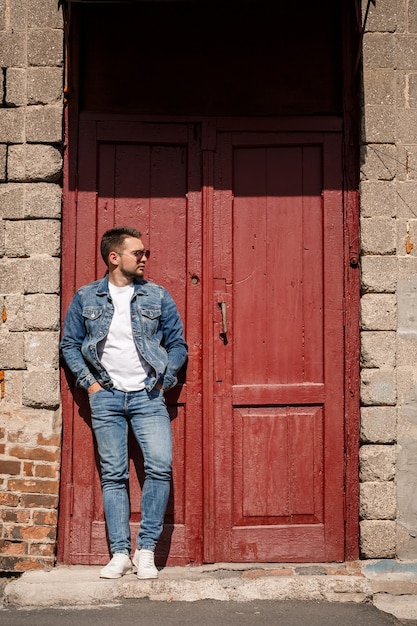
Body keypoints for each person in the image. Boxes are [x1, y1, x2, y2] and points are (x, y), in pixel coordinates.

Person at [60, 226, 188, 580]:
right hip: (107, 398)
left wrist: (164, 382)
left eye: (145, 253)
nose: (145, 258)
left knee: (159, 467)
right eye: (138, 253)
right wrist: (89, 385)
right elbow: (69, 344)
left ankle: (144, 550)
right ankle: (119, 553)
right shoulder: (86, 297)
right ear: (114, 257)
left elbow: (178, 344)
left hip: (148, 396)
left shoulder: (157, 296)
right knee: (114, 475)